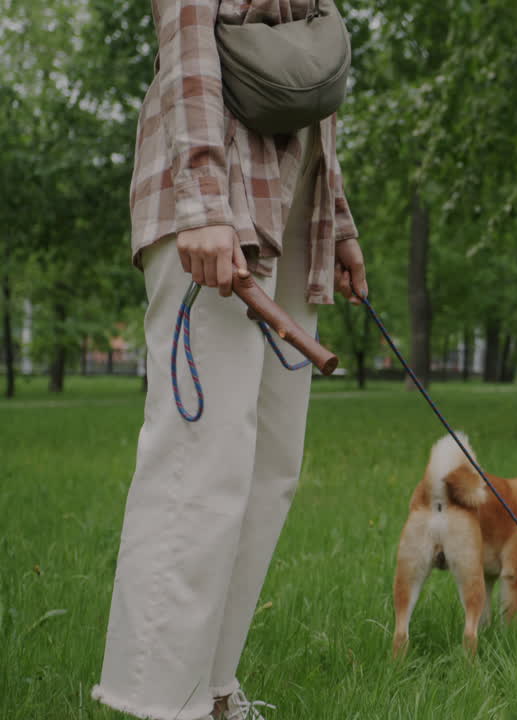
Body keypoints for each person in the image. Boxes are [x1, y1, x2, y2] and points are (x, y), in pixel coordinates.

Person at [92, 2, 366, 719]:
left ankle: (212, 689)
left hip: (296, 203)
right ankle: (157, 702)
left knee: (271, 466)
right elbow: (188, 50)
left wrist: (338, 223)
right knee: (199, 462)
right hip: (213, 205)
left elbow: (308, 77)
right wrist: (204, 203)